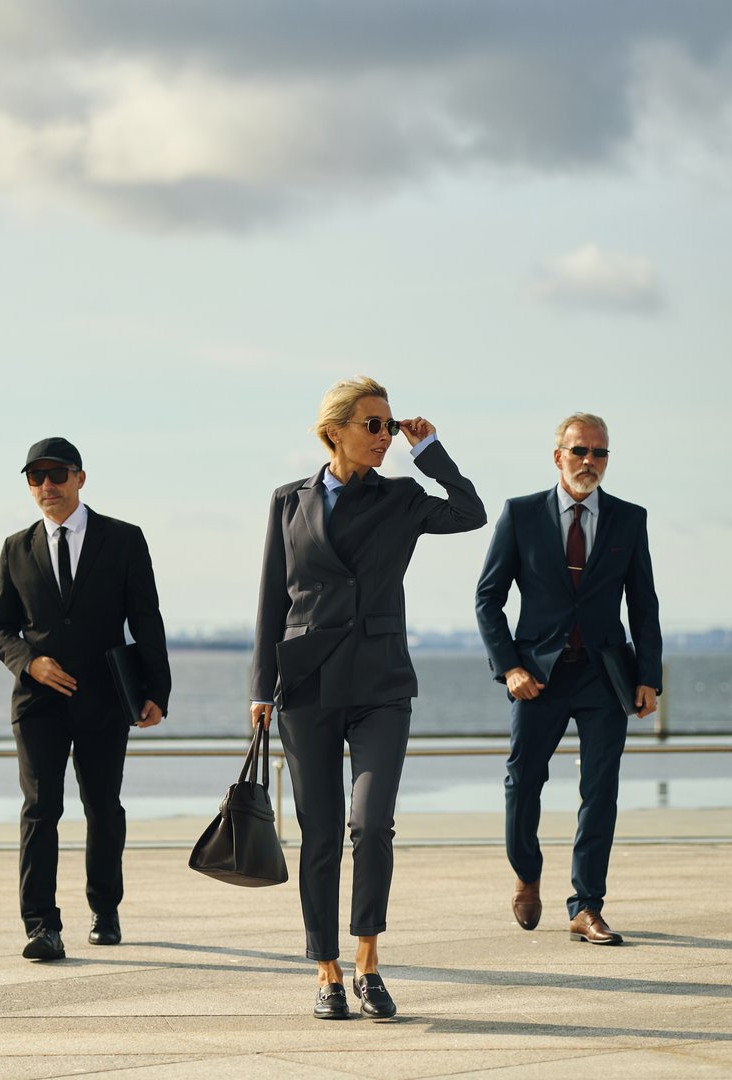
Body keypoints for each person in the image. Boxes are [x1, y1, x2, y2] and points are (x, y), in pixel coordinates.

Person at [250, 376, 487, 1019]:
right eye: (373, 425)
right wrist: (259, 689)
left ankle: (368, 961)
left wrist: (429, 449)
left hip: (381, 683)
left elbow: (471, 512)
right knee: (320, 831)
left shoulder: (403, 497)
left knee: (370, 823)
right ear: (336, 431)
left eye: (389, 425)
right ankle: (326, 970)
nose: (385, 437)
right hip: (305, 685)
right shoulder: (288, 501)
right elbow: (274, 597)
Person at [474, 412, 662, 946]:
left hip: (606, 677)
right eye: (580, 451)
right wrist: (510, 666)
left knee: (600, 791)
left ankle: (586, 905)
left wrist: (649, 675)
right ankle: (527, 871)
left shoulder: (629, 519)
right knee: (522, 781)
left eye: (600, 453)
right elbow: (488, 599)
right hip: (537, 676)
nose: (589, 462)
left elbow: (643, 603)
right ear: (558, 455)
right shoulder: (522, 514)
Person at [0, 436, 172, 961]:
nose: (47, 486)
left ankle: (105, 908)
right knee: (41, 809)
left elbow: (147, 619)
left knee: (103, 808)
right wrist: (30, 662)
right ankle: (41, 925)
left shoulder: (124, 539)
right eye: (35, 478)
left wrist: (156, 690)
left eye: (57, 475)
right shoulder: (15, 548)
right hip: (38, 702)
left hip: (104, 698)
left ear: (80, 478)